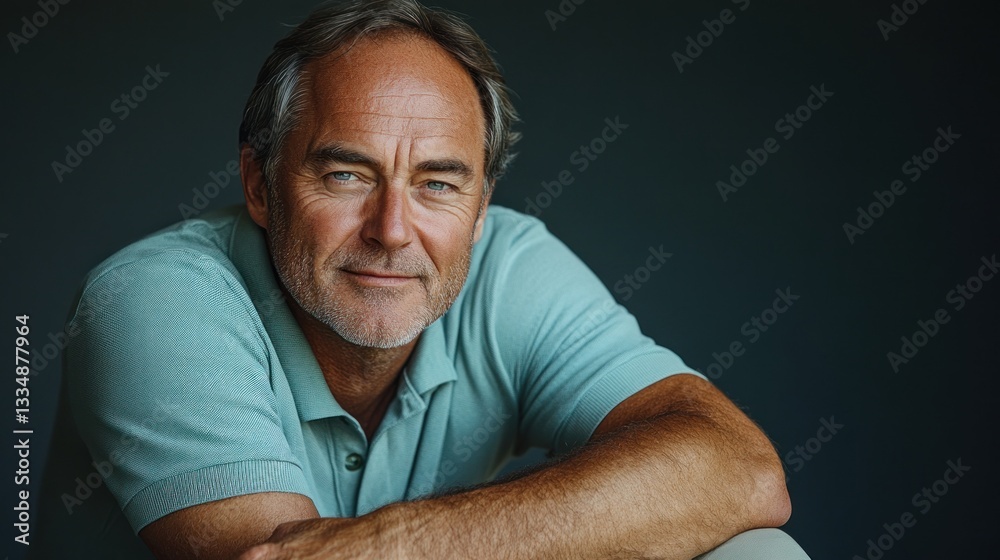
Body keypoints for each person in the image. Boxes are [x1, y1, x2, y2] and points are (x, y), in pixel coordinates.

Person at [33, 1, 810, 558]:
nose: (393, 230)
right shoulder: (153, 300)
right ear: (261, 186)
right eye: (345, 174)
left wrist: (398, 543)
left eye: (439, 184)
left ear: (480, 210)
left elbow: (738, 470)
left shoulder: (509, 265)